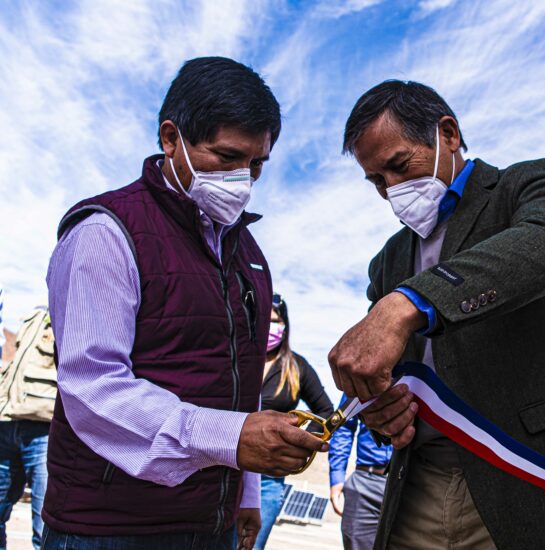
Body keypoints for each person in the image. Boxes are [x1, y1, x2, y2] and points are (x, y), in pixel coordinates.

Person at [328, 80, 545, 550]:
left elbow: (544, 246)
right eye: (376, 181)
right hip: (418, 489)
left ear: (447, 134)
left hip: (529, 483)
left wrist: (405, 304)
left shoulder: (530, 185)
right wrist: (381, 408)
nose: (391, 189)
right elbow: (391, 368)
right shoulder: (388, 259)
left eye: (399, 165)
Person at [43, 56, 328, 550]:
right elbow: (94, 387)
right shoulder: (107, 232)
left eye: (256, 164)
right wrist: (232, 438)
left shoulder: (249, 255)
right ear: (171, 138)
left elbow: (243, 387)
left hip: (209, 524)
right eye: (226, 156)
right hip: (111, 527)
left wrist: (246, 493)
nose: (243, 178)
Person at [253, 294, 336, 550]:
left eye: (275, 320)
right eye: (264, 320)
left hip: (267, 478)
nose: (269, 327)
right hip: (225, 469)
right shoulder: (240, 358)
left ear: (285, 325)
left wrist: (300, 444)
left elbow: (325, 409)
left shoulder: (297, 366)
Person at [0, 307, 56, 549]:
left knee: (44, 524)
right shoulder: (34, 317)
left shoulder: (77, 313)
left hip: (42, 428)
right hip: (7, 421)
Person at [328, 392, 392, 550]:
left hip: (416, 483)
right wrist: (337, 477)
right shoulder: (362, 372)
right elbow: (343, 427)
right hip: (365, 484)